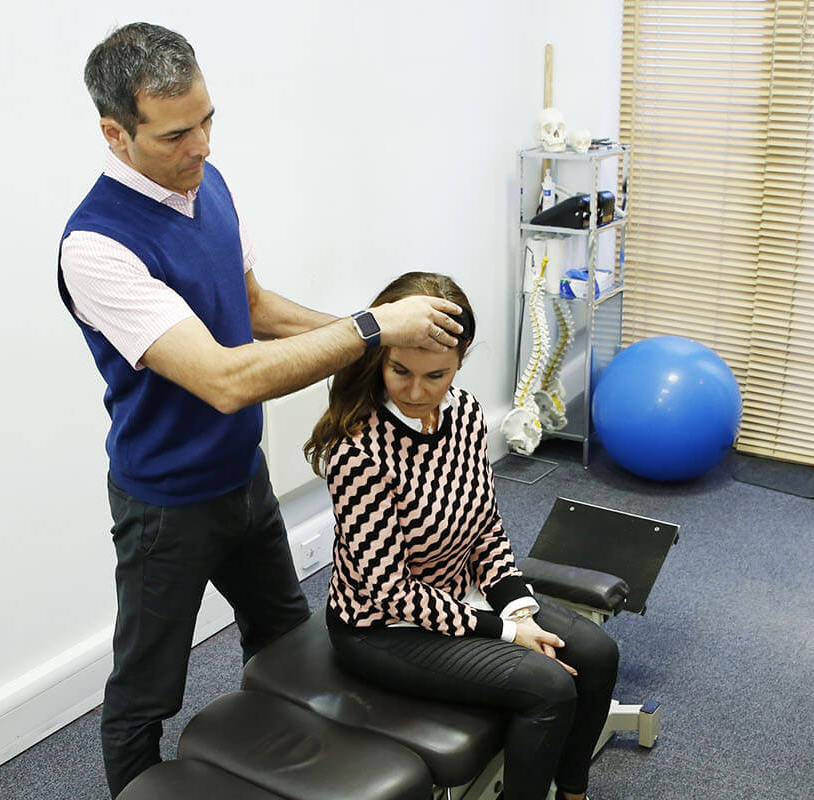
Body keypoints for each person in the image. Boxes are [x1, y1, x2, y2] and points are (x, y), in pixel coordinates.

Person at [58, 24, 465, 798]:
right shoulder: (96, 248)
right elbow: (223, 378)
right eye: (176, 134)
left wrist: (376, 349)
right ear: (115, 134)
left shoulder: (208, 185)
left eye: (208, 120)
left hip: (242, 479)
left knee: (284, 642)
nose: (201, 146)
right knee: (144, 695)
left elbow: (253, 308)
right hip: (166, 506)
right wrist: (372, 328)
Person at [304, 272, 620, 800]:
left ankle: (572, 792)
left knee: (597, 652)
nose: (416, 392)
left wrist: (518, 608)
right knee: (548, 687)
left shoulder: (467, 414)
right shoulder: (358, 451)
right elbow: (390, 592)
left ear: (460, 360)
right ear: (379, 357)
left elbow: (484, 527)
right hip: (382, 628)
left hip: (456, 598)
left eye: (436, 375)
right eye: (400, 371)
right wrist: (505, 631)